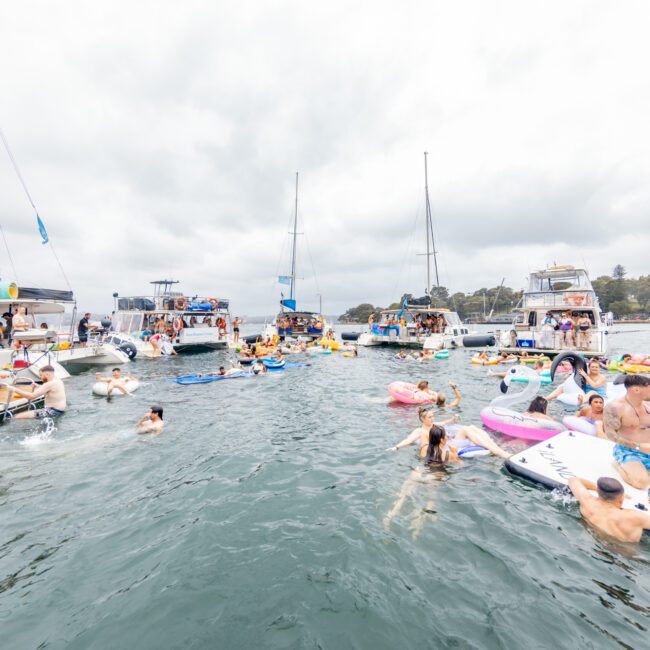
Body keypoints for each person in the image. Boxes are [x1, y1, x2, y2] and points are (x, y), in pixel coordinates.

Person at [567, 477, 650, 543]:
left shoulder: (587, 502)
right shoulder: (636, 517)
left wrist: (601, 489)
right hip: (627, 558)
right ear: (621, 500)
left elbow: (573, 480)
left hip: (594, 545)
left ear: (598, 492)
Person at [603, 374, 650, 490]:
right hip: (630, 451)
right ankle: (618, 465)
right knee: (642, 483)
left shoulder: (648, 404)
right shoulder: (615, 407)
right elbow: (610, 434)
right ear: (637, 390)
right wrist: (638, 446)